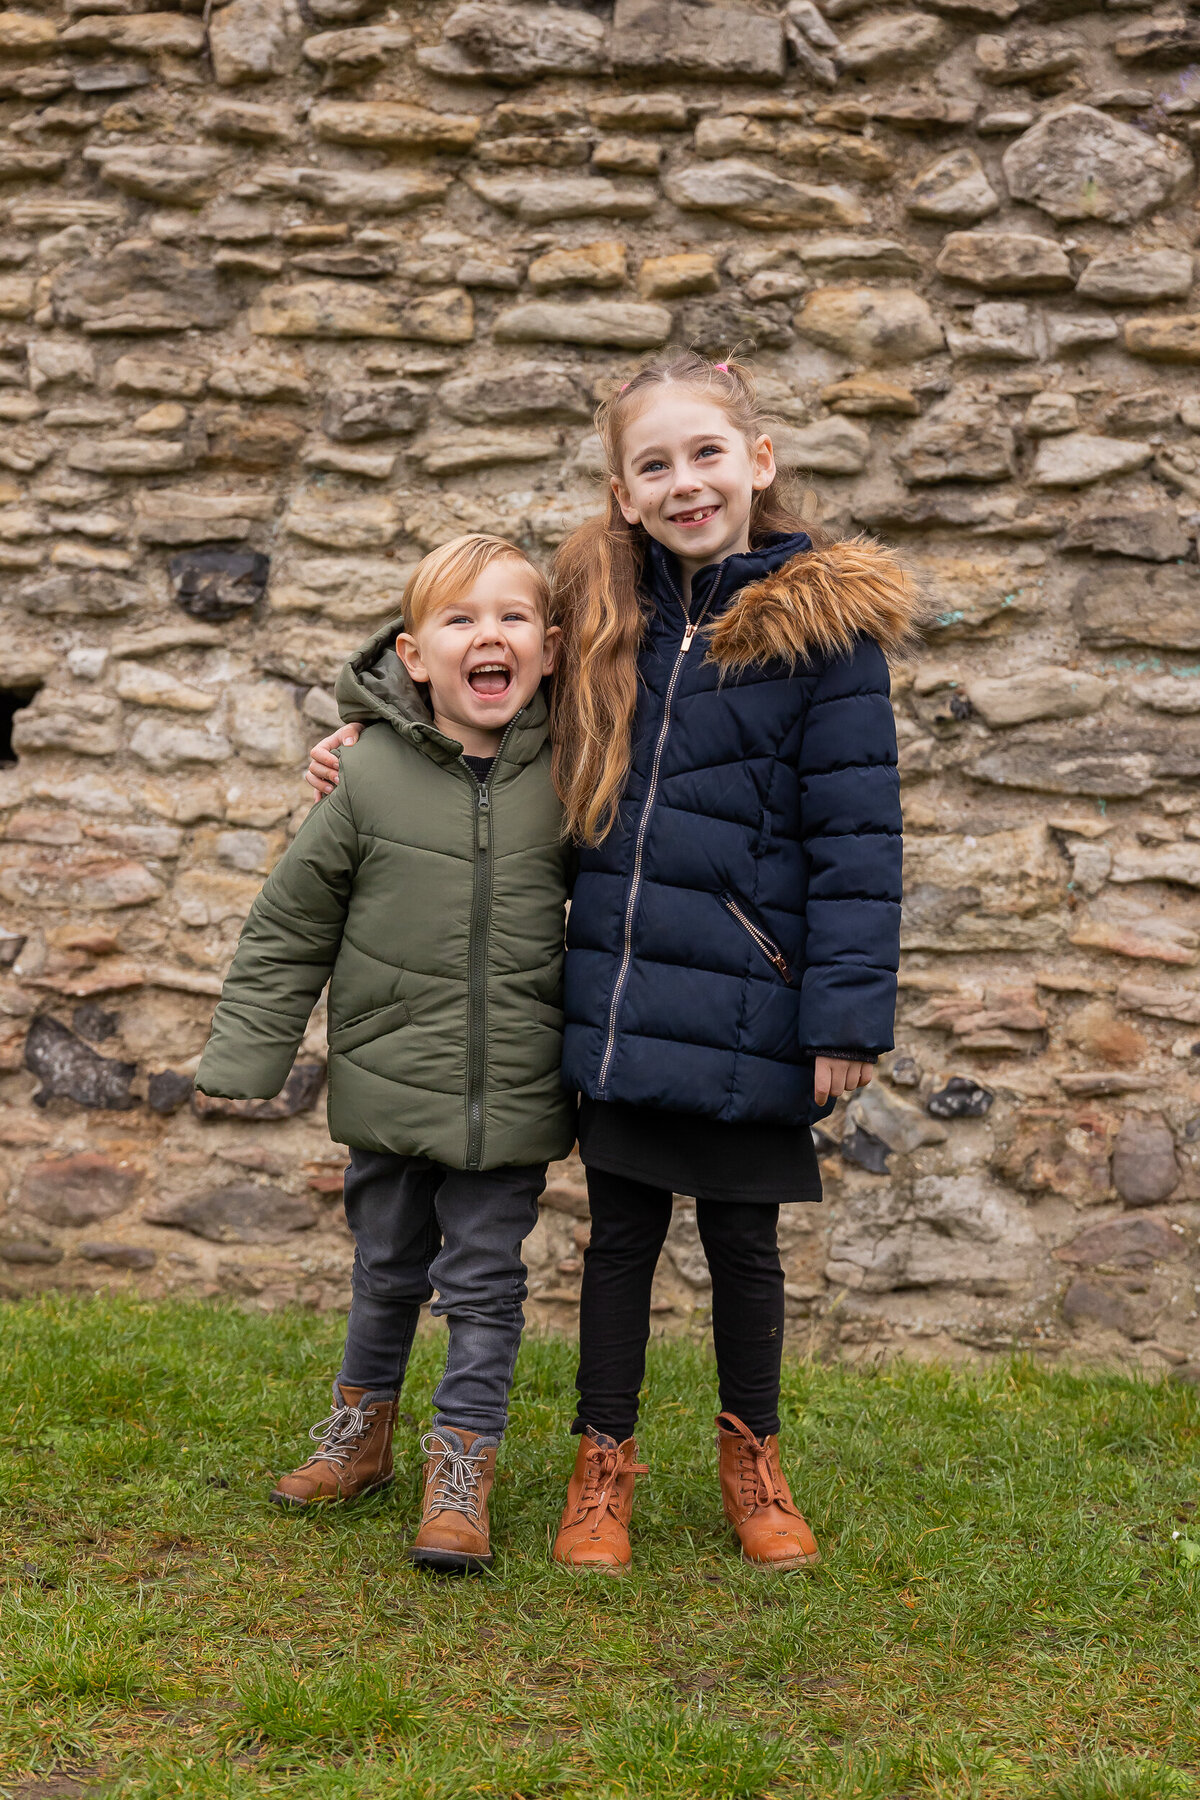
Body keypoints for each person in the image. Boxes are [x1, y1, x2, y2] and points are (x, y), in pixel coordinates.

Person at [307, 353, 920, 1576]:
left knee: (745, 1246)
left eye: (707, 454)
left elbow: (860, 838)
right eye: (655, 465)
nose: (685, 481)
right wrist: (372, 743)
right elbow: (491, 692)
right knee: (621, 1241)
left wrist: (844, 1017)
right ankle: (603, 1471)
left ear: (758, 462)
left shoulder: (826, 633)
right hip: (628, 995)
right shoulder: (601, 609)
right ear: (624, 494)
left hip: (757, 1001)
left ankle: (754, 1462)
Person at [196, 533, 573, 1575]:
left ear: (548, 647)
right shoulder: (364, 776)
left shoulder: (583, 775)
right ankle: (358, 1439)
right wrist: (244, 1056)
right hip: (388, 1076)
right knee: (387, 1269)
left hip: (515, 1089)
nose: (485, 637)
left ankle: (461, 1472)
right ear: (413, 656)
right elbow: (289, 925)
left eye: (510, 618)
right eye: (459, 620)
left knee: (488, 1284)